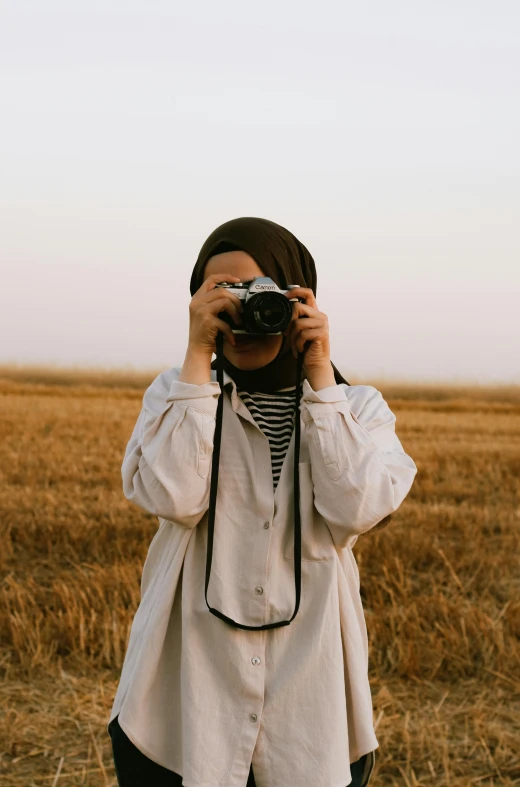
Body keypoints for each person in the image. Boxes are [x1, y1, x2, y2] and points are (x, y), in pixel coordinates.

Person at [107, 217, 418, 787]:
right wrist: (196, 359)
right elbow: (172, 496)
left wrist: (320, 374)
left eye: (258, 294)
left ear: (299, 298)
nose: (241, 313)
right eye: (220, 294)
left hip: (310, 714)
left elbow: (358, 507)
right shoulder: (174, 396)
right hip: (180, 711)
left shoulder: (357, 409)